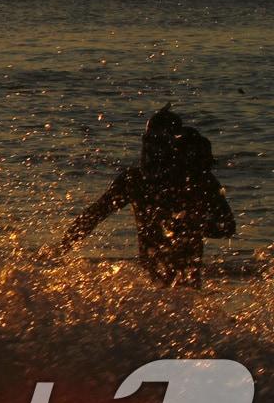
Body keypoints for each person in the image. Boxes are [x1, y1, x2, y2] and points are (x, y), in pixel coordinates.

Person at [46, 105, 235, 287]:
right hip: (158, 278)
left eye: (158, 143)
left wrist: (193, 225)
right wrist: (61, 249)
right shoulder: (134, 180)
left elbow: (227, 226)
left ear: (174, 145)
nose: (151, 150)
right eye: (149, 142)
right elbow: (93, 216)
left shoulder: (197, 179)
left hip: (185, 278)